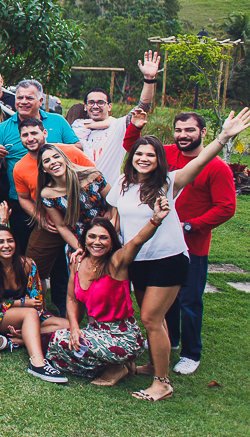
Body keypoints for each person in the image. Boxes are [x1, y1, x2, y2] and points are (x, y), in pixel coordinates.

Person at [106, 108, 249, 401]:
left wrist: (223, 137)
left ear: (160, 160)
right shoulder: (123, 184)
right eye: (139, 154)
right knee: (154, 320)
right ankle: (153, 366)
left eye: (150, 155)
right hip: (139, 261)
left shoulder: (168, 183)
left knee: (150, 319)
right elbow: (115, 215)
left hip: (168, 259)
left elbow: (200, 162)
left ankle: (163, 383)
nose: (143, 158)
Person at [45, 212, 165, 385]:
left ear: (111, 242)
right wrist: (74, 328)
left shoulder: (117, 262)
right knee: (58, 346)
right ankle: (114, 365)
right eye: (92, 236)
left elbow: (138, 241)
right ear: (84, 239)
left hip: (123, 337)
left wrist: (156, 220)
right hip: (94, 332)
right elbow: (72, 299)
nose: (97, 242)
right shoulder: (77, 262)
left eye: (103, 238)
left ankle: (117, 367)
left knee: (59, 341)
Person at [6, 119, 95, 315]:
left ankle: (93, 315)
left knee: (92, 264)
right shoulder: (20, 167)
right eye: (25, 135)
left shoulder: (68, 152)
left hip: (86, 221)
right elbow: (22, 198)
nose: (30, 138)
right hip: (52, 223)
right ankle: (39, 313)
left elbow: (95, 177)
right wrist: (40, 218)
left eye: (34, 133)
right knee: (31, 267)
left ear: (44, 132)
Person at [0, 78, 80, 251]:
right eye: (19, 98)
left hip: (60, 198)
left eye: (29, 98)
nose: (23, 102)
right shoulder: (3, 128)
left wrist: (50, 151)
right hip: (21, 201)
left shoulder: (57, 121)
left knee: (60, 257)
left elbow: (77, 148)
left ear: (40, 101)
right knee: (23, 252)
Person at [0, 225, 70, 383]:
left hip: (28, 315)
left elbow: (36, 300)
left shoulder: (28, 264)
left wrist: (29, 309)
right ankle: (37, 363)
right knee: (30, 313)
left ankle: (21, 339)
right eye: (0, 242)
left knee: (67, 325)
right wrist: (22, 302)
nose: (6, 245)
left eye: (10, 241)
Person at [71, 51, 159, 182]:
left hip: (108, 190)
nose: (95, 106)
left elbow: (143, 107)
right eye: (91, 102)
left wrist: (149, 79)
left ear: (110, 107)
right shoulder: (76, 127)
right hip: (80, 190)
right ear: (85, 106)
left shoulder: (118, 126)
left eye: (101, 102)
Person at [37, 143, 112, 255]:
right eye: (47, 161)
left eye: (56, 157)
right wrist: (80, 248)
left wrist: (112, 225)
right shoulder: (48, 194)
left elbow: (114, 204)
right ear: (43, 169)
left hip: (105, 231)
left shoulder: (92, 176)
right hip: (78, 238)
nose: (53, 162)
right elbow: (61, 226)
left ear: (65, 159)